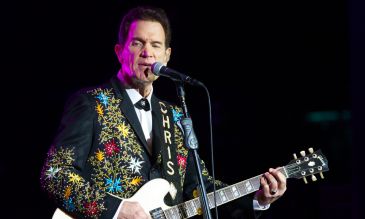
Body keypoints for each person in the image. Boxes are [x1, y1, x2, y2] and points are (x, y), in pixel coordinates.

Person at [40, 5, 287, 219]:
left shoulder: (175, 116)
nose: (147, 52)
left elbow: (197, 187)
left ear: (166, 56)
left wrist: (258, 198)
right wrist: (117, 209)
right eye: (137, 43)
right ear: (120, 51)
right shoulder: (91, 104)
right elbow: (55, 174)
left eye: (155, 44)